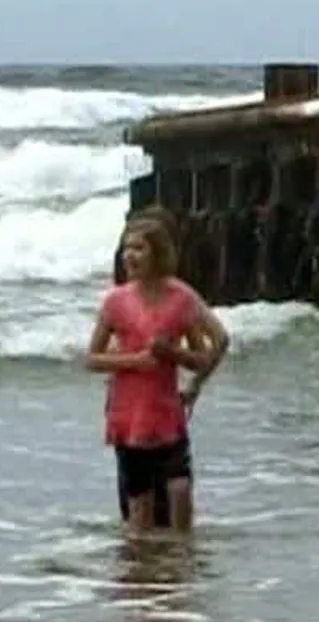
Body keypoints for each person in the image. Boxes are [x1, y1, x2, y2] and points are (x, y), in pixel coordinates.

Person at [86, 214, 229, 534]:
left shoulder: (180, 298)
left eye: (139, 248)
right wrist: (134, 360)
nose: (129, 256)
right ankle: (145, 574)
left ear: (158, 253)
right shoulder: (115, 302)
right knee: (141, 510)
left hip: (167, 415)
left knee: (180, 492)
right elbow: (91, 359)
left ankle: (181, 570)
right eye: (126, 248)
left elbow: (215, 346)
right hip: (128, 416)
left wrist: (185, 370)